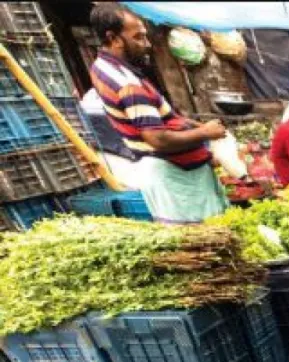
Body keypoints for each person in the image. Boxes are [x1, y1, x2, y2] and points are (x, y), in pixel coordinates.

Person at [88, 2, 228, 223]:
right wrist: (205, 133)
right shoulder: (128, 84)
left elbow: (161, 119)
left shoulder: (102, 67)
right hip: (177, 178)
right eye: (138, 37)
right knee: (206, 239)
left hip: (167, 174)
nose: (147, 45)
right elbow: (158, 138)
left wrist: (197, 127)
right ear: (113, 38)